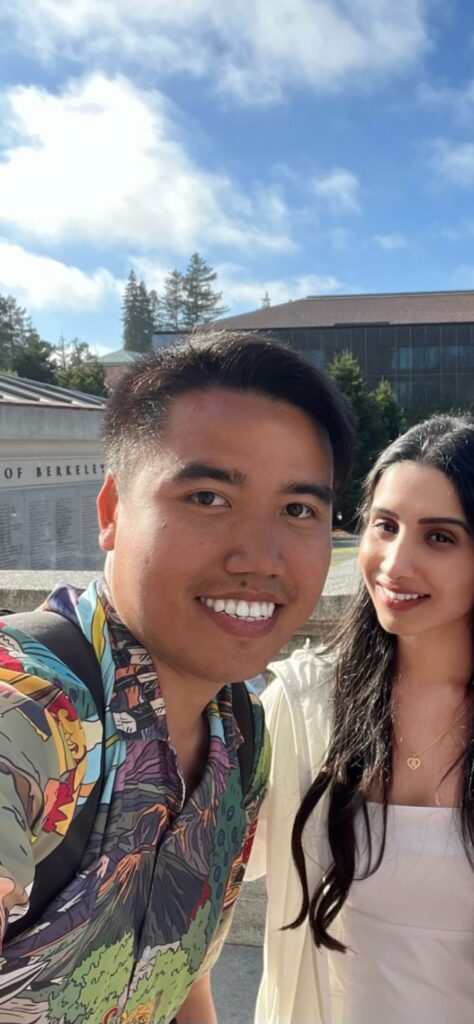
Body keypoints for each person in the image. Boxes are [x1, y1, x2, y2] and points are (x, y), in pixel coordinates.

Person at [0, 334, 354, 1024]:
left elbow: (178, 969)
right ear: (110, 512)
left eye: (298, 510)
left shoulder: (239, 731)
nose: (260, 556)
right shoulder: (32, 709)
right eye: (208, 496)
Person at [246, 416, 474, 1023]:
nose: (395, 564)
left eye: (440, 538)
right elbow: (197, 862)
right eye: (384, 526)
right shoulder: (305, 704)